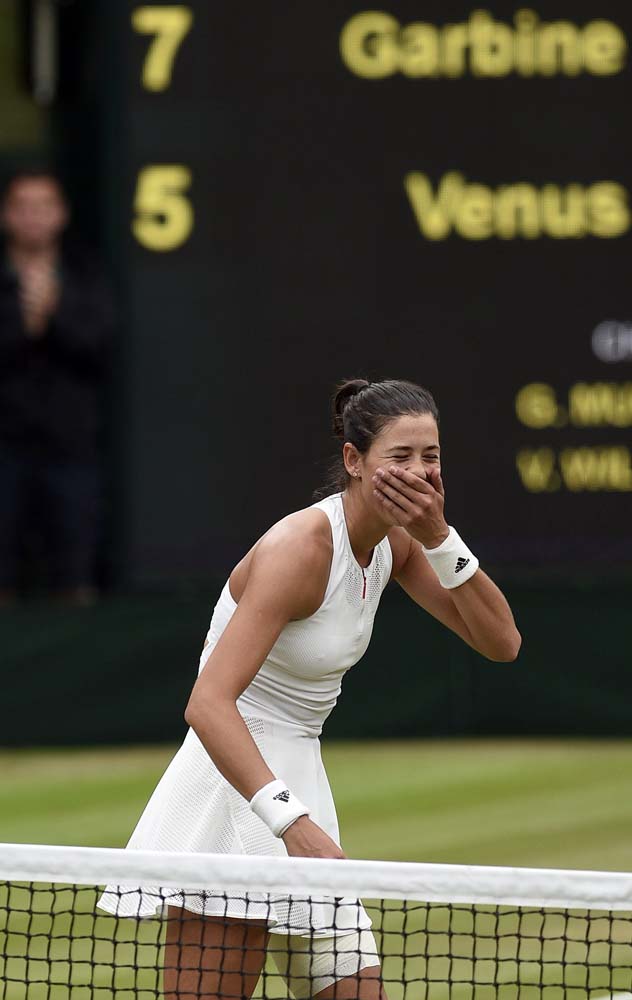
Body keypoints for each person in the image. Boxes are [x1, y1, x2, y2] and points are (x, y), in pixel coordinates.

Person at [99, 378, 521, 999]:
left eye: (429, 456)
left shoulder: (398, 543)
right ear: (354, 461)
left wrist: (438, 538)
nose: (417, 472)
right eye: (398, 458)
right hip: (236, 797)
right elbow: (207, 704)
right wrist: (289, 823)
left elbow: (501, 642)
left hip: (302, 791)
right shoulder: (298, 549)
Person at [0, 169, 114, 606]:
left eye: (43, 207)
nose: (33, 218)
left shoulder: (86, 273)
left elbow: (100, 344)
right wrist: (23, 323)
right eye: (23, 207)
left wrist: (53, 315)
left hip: (71, 443)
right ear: (8, 215)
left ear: (61, 214)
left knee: (74, 565)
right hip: (6, 443)